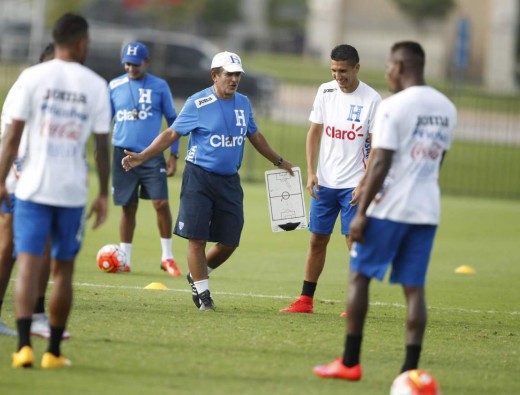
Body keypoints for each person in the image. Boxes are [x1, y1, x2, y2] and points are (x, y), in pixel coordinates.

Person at [313, 41, 456, 381]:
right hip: (426, 210)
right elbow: (438, 161)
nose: (388, 73)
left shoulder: (393, 106)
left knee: (359, 276)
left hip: (390, 209)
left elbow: (381, 162)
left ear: (401, 66)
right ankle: (410, 370)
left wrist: (362, 213)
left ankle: (349, 362)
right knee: (414, 289)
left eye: (390, 66)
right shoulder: (447, 107)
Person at [122, 51, 294, 311]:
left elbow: (255, 136)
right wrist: (143, 156)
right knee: (197, 238)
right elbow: (171, 133)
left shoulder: (244, 103)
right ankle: (204, 295)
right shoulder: (197, 103)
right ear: (215, 75)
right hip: (199, 178)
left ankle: (197, 273)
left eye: (237, 75)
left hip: (229, 181)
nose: (234, 79)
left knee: (230, 241)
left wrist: (280, 162)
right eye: (229, 74)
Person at [0, 13, 111, 369]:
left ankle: (23, 347)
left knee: (27, 264)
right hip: (71, 191)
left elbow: (12, 137)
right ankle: (54, 352)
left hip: (31, 187)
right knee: (63, 271)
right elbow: (101, 148)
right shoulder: (94, 84)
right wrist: (103, 193)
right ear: (81, 42)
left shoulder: (31, 77)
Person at [280, 44, 381, 315]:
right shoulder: (325, 91)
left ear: (356, 68)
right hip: (325, 183)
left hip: (354, 184)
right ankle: (305, 300)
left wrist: (363, 183)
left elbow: (376, 146)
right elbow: (314, 133)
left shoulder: (372, 99)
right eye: (334, 70)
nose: (338, 76)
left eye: (344, 71)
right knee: (316, 240)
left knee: (352, 242)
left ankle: (356, 303)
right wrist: (312, 172)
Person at [0, 43, 68, 340]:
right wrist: (5, 180)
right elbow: (11, 137)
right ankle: (35, 317)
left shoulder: (46, 90)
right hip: (23, 182)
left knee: (17, 250)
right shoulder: (28, 88)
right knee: (30, 250)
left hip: (30, 180)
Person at [109, 41, 181, 276]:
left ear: (146, 62)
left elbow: (173, 121)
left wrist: (173, 154)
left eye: (136, 64)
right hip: (123, 155)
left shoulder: (159, 86)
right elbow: (104, 121)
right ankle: (124, 258)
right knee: (128, 207)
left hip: (151, 155)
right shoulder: (114, 85)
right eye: (127, 64)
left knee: (160, 203)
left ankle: (167, 257)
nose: (131, 68)